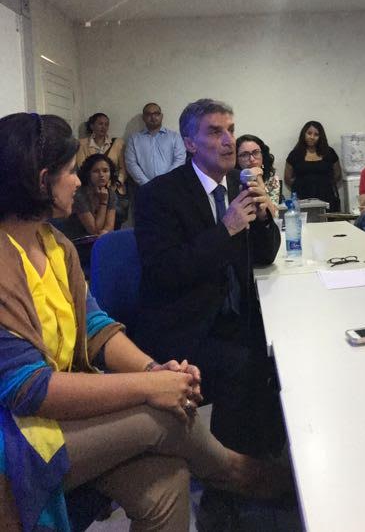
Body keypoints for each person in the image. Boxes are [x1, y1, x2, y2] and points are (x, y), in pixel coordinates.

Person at [0, 113, 284, 531]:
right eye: (70, 172)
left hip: (61, 411)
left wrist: (153, 370)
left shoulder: (54, 243)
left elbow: (95, 328)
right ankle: (241, 473)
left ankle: (237, 475)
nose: (78, 182)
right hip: (17, 434)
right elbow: (29, 390)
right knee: (164, 415)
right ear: (42, 181)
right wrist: (151, 386)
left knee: (167, 482)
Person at [283, 121, 343, 211]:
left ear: (320, 137)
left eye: (316, 134)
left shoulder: (329, 152)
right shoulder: (295, 154)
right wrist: (302, 185)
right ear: (304, 134)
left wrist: (324, 184)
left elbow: (337, 174)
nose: (312, 137)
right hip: (302, 199)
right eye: (309, 133)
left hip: (327, 198)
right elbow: (288, 178)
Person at [123, 103, 186, 187]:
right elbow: (131, 164)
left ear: (161, 116)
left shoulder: (175, 137)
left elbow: (180, 160)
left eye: (156, 113)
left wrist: (166, 181)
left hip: (171, 186)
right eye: (148, 114)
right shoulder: (134, 139)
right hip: (145, 188)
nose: (153, 117)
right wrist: (148, 185)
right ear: (143, 118)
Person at [66, 153, 118, 240]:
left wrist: (105, 232)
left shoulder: (111, 194)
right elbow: (94, 230)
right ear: (88, 174)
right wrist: (103, 202)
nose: (101, 175)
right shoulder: (79, 195)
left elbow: (110, 226)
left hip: (99, 239)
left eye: (105, 171)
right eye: (96, 171)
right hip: (78, 240)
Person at [235, 134, 281, 209]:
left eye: (256, 152)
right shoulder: (230, 180)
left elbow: (273, 213)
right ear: (236, 160)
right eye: (244, 155)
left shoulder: (272, 179)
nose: (252, 159)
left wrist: (259, 178)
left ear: (263, 155)